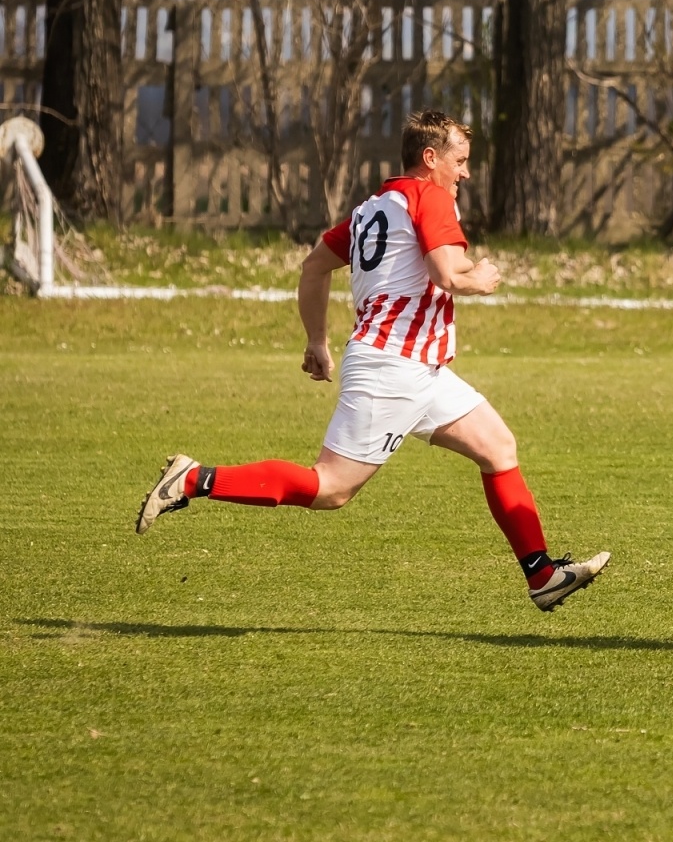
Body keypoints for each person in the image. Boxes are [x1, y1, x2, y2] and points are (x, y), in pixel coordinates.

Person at [136, 110, 609, 610]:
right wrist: (481, 278)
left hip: (415, 367)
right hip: (393, 367)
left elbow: (315, 265)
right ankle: (193, 478)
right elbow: (447, 274)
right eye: (461, 161)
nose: (465, 173)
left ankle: (542, 576)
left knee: (497, 446)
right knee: (330, 488)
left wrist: (317, 341)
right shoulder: (430, 196)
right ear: (430, 159)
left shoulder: (374, 207)